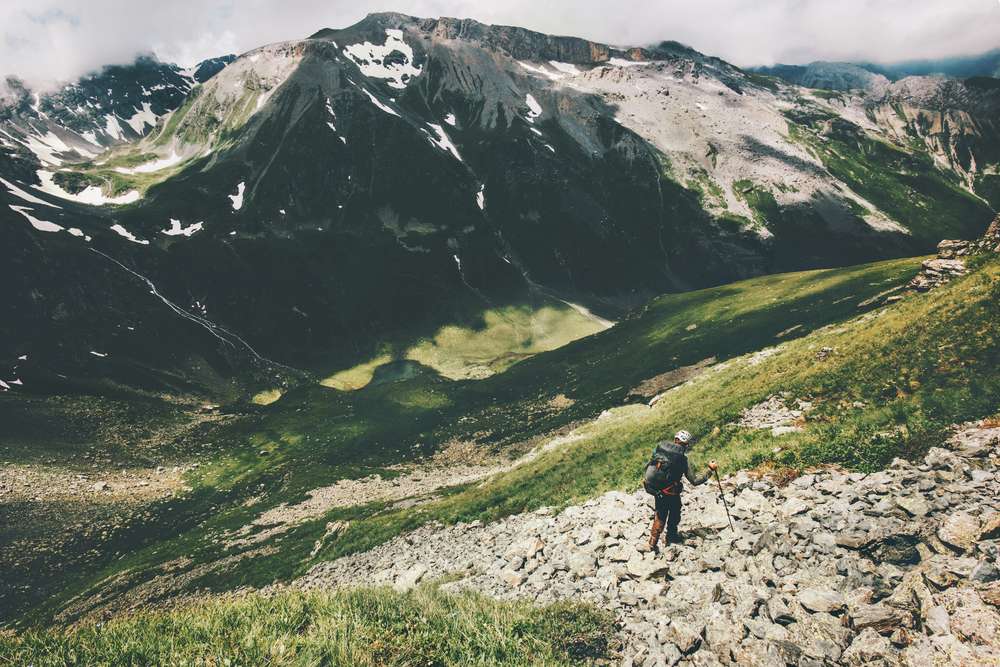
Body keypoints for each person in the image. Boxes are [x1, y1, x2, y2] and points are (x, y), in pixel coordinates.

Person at [642, 429, 717, 550]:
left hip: (657, 490)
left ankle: (652, 543)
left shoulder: (660, 450)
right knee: (675, 513)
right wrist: (710, 470)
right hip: (672, 492)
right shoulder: (682, 459)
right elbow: (695, 481)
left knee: (660, 515)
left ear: (675, 440)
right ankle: (671, 536)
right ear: (686, 444)